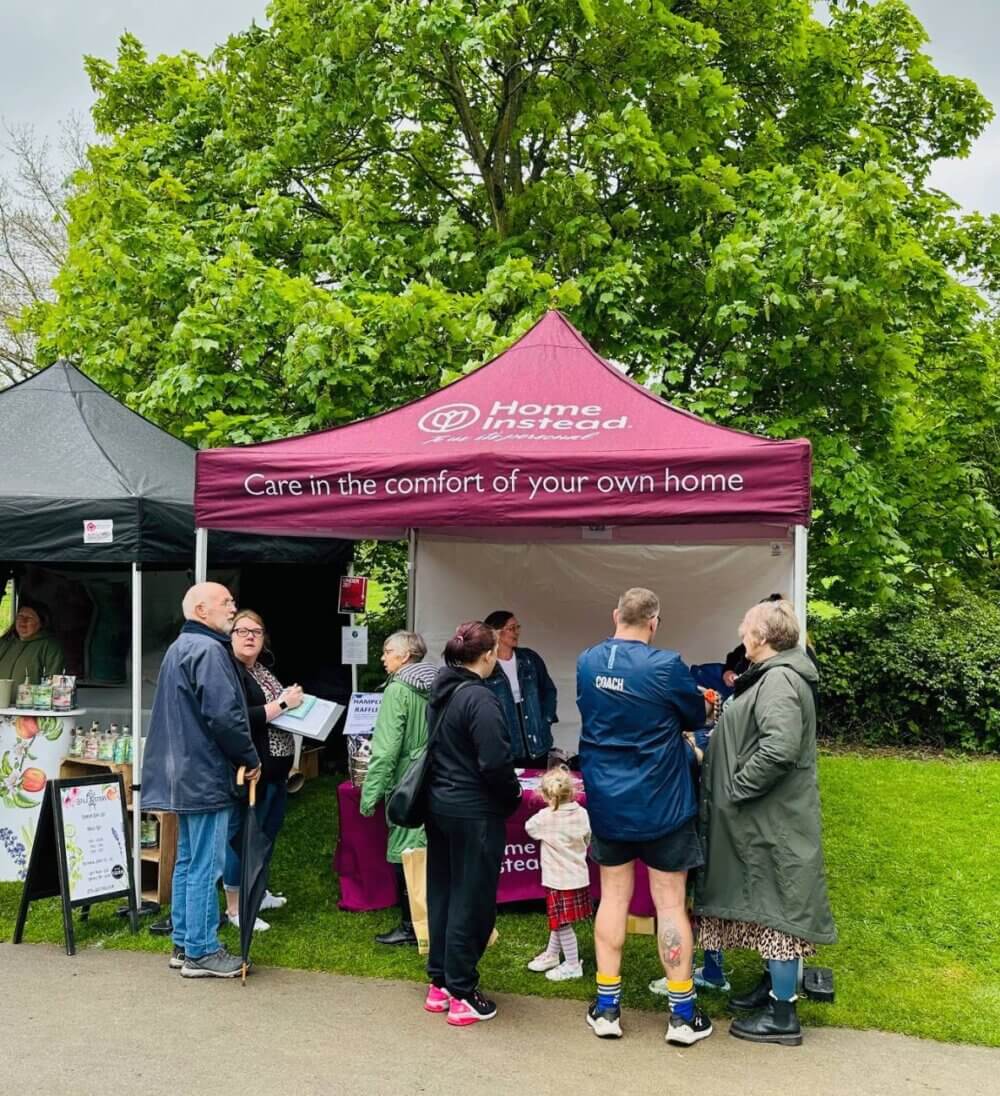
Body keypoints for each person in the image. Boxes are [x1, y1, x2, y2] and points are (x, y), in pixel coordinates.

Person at [577, 587, 714, 1045]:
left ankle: (607, 1008)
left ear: (615, 614)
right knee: (670, 904)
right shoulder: (666, 665)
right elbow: (695, 716)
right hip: (662, 802)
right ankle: (681, 1015)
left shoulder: (587, 661)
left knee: (613, 898)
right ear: (654, 622)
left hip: (608, 800)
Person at [696, 598, 836, 1046]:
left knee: (778, 908)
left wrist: (736, 786)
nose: (741, 629)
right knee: (767, 901)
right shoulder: (772, 676)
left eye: (746, 624)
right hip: (764, 816)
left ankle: (783, 1015)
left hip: (770, 817)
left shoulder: (778, 681)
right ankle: (772, 988)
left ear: (762, 638)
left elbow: (778, 748)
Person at [141, 582, 260, 979]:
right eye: (225, 602)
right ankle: (202, 950)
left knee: (189, 861)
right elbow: (225, 716)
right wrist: (248, 757)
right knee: (204, 862)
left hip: (183, 771)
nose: (233, 608)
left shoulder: (181, 647)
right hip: (204, 772)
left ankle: (185, 944)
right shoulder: (209, 650)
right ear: (201, 610)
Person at [423, 621, 521, 1027]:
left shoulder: (441, 689)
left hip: (440, 805)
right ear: (487, 655)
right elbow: (495, 762)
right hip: (472, 811)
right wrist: (512, 796)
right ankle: (461, 990)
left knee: (443, 892)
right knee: (472, 899)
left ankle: (440, 983)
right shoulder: (480, 698)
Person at [223, 609, 304, 932]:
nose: (250, 637)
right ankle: (235, 908)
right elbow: (242, 716)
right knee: (242, 838)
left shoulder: (261, 670)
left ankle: (259, 889)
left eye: (256, 631)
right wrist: (284, 704)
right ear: (230, 637)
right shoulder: (231, 673)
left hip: (276, 767)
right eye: (242, 631)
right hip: (252, 769)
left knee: (266, 832)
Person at [360, 630, 437, 947]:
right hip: (436, 775)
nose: (382, 656)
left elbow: (386, 749)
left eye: (387, 651)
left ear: (405, 657)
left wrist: (369, 795)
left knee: (405, 852)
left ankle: (411, 926)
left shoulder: (398, 690)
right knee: (428, 850)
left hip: (409, 780)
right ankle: (432, 918)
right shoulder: (437, 682)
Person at [524, 766, 592, 982]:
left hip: (557, 880)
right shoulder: (582, 813)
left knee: (561, 924)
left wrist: (547, 811)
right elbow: (587, 838)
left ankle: (572, 964)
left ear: (546, 794)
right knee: (559, 920)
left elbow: (529, 828)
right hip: (578, 876)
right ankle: (552, 954)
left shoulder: (545, 817)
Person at [482, 611, 558, 768]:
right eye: (511, 628)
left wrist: (546, 720)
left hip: (537, 742)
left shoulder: (530, 658)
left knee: (537, 789)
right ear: (496, 633)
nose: (517, 632)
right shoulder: (486, 665)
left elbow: (549, 691)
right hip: (505, 747)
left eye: (518, 627)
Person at [0, 600, 64, 684]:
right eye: (20, 616)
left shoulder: (50, 647)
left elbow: (54, 682)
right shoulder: (4, 642)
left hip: (31, 697)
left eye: (29, 617)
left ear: (41, 623)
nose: (23, 621)